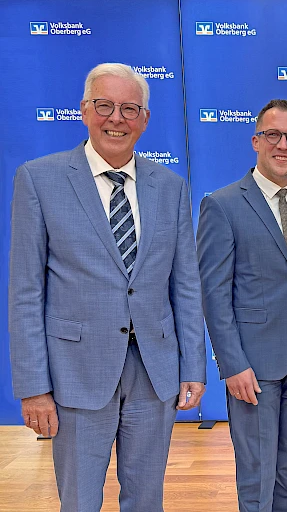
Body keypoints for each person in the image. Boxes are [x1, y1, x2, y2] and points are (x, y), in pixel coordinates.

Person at [8, 63, 206, 511]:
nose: (117, 118)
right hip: (76, 374)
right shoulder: (39, 179)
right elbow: (25, 294)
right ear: (84, 110)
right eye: (105, 106)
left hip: (154, 374)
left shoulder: (171, 187)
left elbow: (186, 286)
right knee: (79, 502)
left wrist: (193, 366)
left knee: (146, 501)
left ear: (145, 119)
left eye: (129, 109)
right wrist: (34, 387)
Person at [197, 99, 287, 512]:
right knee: (256, 470)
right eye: (273, 135)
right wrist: (232, 364)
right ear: (256, 141)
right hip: (253, 362)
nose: (283, 145)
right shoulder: (223, 204)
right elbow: (214, 293)